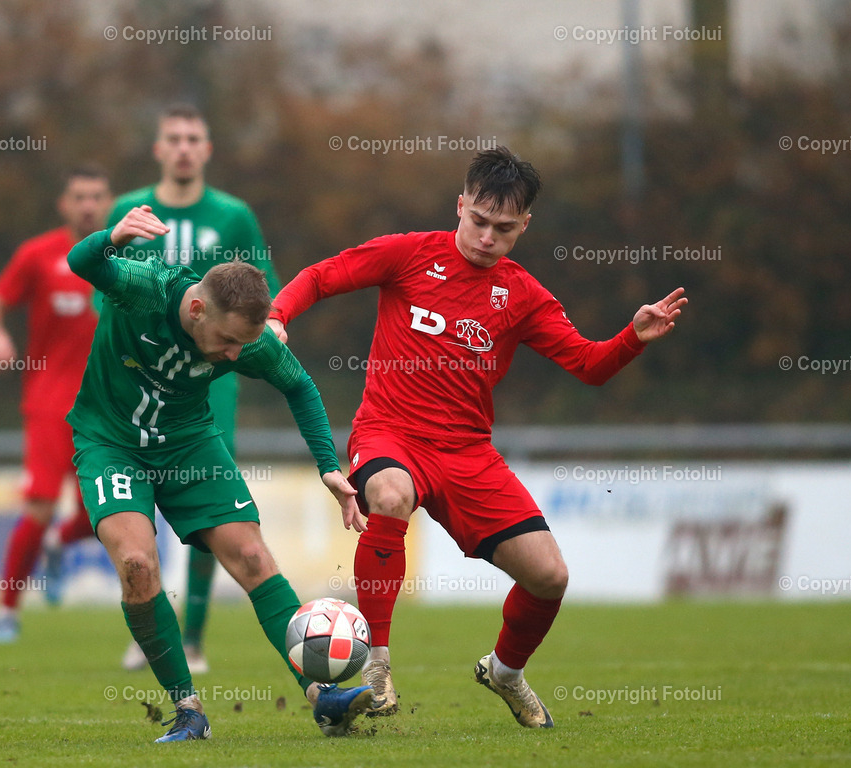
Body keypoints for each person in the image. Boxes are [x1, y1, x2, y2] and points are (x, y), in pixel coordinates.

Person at [267, 147, 687, 728]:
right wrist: (279, 315)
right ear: (460, 206)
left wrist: (633, 337)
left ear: (525, 227)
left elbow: (588, 365)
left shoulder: (522, 295)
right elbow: (322, 275)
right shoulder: (409, 253)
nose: (488, 237)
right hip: (390, 432)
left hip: (468, 455)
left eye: (504, 229)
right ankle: (378, 664)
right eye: (479, 221)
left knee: (550, 576)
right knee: (389, 496)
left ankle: (506, 671)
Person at [66, 204, 373, 742]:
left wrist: (329, 466)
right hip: (110, 441)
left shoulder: (245, 340)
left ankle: (324, 698)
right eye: (227, 341)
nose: (235, 355)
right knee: (138, 564)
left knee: (252, 554)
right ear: (196, 307)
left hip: (188, 443)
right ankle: (188, 711)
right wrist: (110, 236)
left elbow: (300, 386)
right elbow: (83, 263)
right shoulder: (147, 288)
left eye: (242, 345)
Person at [107, 103, 280, 674]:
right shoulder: (128, 210)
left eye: (193, 138)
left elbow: (264, 299)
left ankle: (197, 637)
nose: (183, 147)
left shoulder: (233, 216)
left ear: (207, 150)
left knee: (210, 504)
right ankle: (153, 624)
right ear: (158, 148)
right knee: (139, 500)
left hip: (210, 381)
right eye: (173, 137)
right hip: (138, 375)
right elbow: (101, 295)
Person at [0, 164, 112, 644]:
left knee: (101, 517)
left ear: (108, 202)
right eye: (79, 196)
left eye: (96, 196)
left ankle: (59, 544)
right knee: (38, 505)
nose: (88, 205)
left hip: (105, 409)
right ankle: (6, 612)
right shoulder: (38, 255)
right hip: (48, 402)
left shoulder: (126, 258)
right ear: (64, 204)